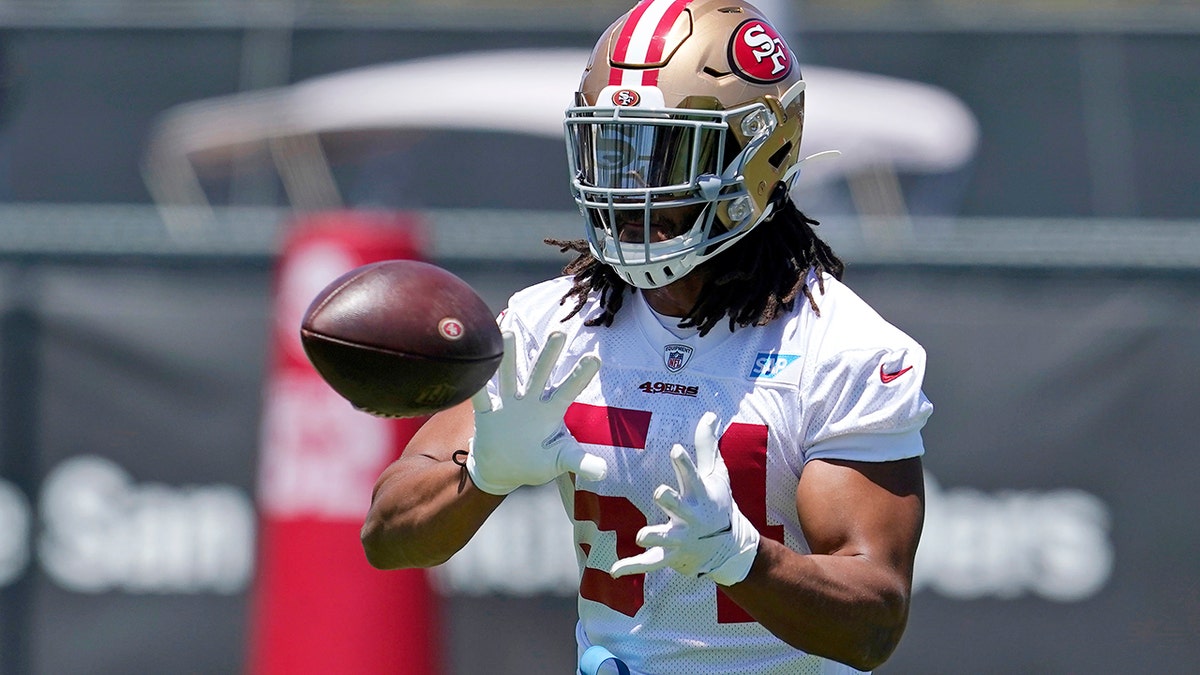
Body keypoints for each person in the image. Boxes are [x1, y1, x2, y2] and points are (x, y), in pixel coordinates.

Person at [360, 0, 932, 673]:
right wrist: (482, 473)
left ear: (760, 153)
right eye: (617, 147)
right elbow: (387, 538)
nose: (634, 187)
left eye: (669, 150)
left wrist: (740, 557)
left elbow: (872, 624)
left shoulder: (844, 348)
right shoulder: (555, 323)